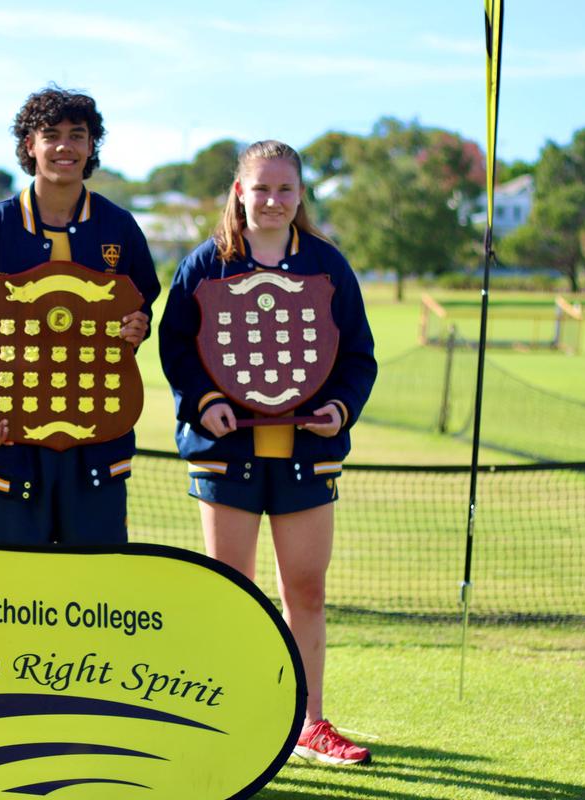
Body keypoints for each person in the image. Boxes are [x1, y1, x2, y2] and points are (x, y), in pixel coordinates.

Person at [158, 140, 377, 765]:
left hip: (306, 452)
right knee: (232, 590)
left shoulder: (328, 266)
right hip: (227, 452)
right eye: (261, 188)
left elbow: (357, 356)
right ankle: (228, 716)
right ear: (240, 192)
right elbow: (177, 347)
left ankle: (309, 723)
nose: (273, 200)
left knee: (305, 590)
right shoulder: (206, 264)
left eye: (285, 189)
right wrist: (203, 402)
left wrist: (340, 408)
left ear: (300, 194)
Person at [0, 87, 160, 545]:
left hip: (96, 444)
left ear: (92, 145)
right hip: (9, 445)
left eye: (77, 135)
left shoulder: (119, 227)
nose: (64, 146)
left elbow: (140, 308)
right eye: (51, 135)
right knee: (6, 580)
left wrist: (139, 327)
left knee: (93, 580)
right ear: (29, 145)